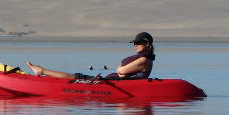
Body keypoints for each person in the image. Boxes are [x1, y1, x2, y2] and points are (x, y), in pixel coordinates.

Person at [26, 32, 156, 80]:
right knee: (76, 76)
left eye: (138, 43)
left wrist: (122, 71)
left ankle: (41, 70)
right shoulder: (142, 58)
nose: (135, 45)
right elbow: (121, 67)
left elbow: (120, 69)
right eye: (134, 43)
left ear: (147, 44)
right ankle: (42, 71)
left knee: (76, 76)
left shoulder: (144, 60)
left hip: (112, 84)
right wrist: (122, 70)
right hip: (114, 81)